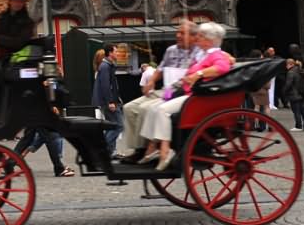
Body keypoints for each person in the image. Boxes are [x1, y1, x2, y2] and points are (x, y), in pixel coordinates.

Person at [140, 22, 235, 171]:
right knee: (151, 107)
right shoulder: (195, 53)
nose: (197, 38)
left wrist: (198, 74)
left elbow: (222, 66)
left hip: (193, 95)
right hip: (175, 88)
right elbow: (161, 69)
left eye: (200, 36)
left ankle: (164, 148)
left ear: (208, 40)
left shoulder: (213, 54)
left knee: (160, 110)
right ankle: (150, 146)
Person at [115, 21, 199, 160]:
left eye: (182, 33)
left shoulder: (199, 52)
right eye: (177, 32)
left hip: (181, 93)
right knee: (129, 108)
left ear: (193, 36)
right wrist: (152, 81)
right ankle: (138, 148)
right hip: (166, 90)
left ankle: (147, 149)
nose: (177, 35)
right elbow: (160, 69)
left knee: (143, 109)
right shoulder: (171, 50)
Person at [91, 48, 120, 155]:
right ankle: (102, 150)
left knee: (111, 125)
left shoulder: (103, 67)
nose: (118, 53)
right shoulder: (105, 67)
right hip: (108, 101)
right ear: (110, 53)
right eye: (116, 51)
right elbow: (106, 86)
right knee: (118, 125)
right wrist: (110, 101)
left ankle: (110, 151)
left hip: (106, 101)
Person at [284, 59, 304, 131]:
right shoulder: (301, 70)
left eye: (286, 65)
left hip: (294, 94)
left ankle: (298, 126)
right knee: (303, 110)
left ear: (290, 64)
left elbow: (288, 84)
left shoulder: (291, 72)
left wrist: (284, 91)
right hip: (302, 94)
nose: (286, 67)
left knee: (296, 111)